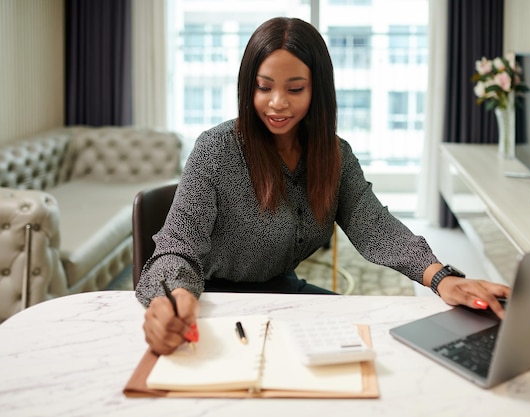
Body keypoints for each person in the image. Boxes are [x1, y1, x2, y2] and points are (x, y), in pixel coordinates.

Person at [136, 17, 510, 355]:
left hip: (282, 292)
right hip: (214, 301)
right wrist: (176, 295)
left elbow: (374, 227)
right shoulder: (216, 150)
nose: (277, 103)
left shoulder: (333, 154)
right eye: (264, 87)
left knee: (373, 344)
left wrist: (440, 276)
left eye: (295, 89)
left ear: (317, 90)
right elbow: (176, 248)